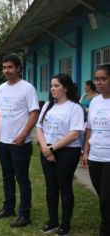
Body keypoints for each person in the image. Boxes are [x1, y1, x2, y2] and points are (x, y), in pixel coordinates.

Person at [0, 54, 39, 228]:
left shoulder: (27, 88)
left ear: (18, 68)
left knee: (22, 178)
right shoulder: (2, 88)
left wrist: (23, 135)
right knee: (7, 176)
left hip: (20, 143)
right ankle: (8, 208)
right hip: (3, 141)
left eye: (10, 67)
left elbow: (34, 113)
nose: (6, 71)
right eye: (4, 67)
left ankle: (24, 214)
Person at [36, 74, 84, 235]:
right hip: (47, 149)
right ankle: (53, 221)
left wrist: (51, 149)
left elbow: (74, 134)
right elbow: (39, 128)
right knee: (51, 187)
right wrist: (45, 147)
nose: (52, 89)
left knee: (64, 187)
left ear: (66, 88)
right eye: (51, 86)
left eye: (56, 85)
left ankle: (65, 224)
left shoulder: (74, 107)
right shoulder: (48, 105)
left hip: (67, 152)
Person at [81, 64, 110, 236]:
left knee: (106, 199)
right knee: (103, 197)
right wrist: (85, 152)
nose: (98, 83)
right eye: (96, 79)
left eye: (103, 79)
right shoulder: (94, 102)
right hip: (95, 156)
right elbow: (89, 129)